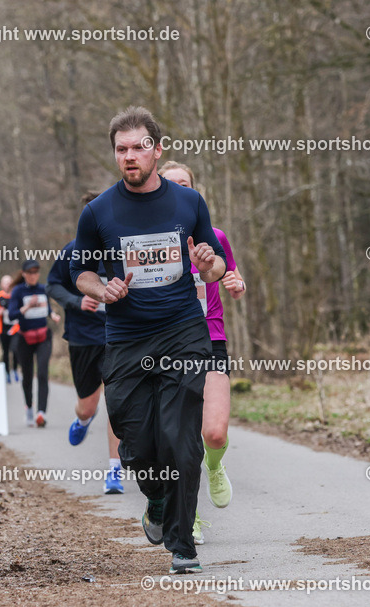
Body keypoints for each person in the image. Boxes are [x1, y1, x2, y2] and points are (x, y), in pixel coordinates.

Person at [70, 106, 226, 574]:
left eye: (139, 147)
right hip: (127, 338)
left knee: (180, 438)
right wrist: (102, 289)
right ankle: (156, 500)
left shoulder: (188, 203)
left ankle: (183, 545)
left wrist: (208, 264)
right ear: (114, 154)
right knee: (136, 443)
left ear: (157, 150)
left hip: (183, 333)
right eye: (122, 149)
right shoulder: (98, 212)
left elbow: (215, 268)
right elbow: (80, 272)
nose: (130, 156)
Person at [159, 161, 245, 545]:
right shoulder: (152, 242)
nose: (180, 190)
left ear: (194, 192)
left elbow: (231, 275)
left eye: (185, 184)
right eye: (171, 184)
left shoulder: (215, 236)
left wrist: (236, 284)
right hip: (168, 342)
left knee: (213, 432)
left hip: (210, 338)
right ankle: (188, 517)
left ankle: (213, 465)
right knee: (179, 437)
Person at [46, 192, 123, 493]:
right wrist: (77, 301)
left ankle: (114, 470)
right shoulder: (73, 250)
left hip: (119, 336)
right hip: (83, 338)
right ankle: (82, 420)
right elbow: (52, 285)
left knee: (116, 404)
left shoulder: (123, 248)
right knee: (87, 407)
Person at [9, 260, 61, 427]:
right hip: (25, 339)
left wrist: (53, 315)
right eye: (30, 273)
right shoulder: (18, 291)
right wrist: (27, 307)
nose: (33, 276)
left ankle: (41, 413)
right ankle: (29, 408)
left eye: (36, 272)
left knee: (43, 373)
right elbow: (11, 315)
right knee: (27, 376)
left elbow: (47, 308)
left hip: (43, 337)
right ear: (24, 274)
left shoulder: (43, 289)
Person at [0, 274, 19, 383]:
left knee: (15, 349)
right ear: (1, 284)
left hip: (16, 328)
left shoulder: (16, 295)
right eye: (5, 283)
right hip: (3, 329)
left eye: (9, 282)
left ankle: (15, 370)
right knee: (5, 351)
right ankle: (6, 372)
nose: (7, 285)